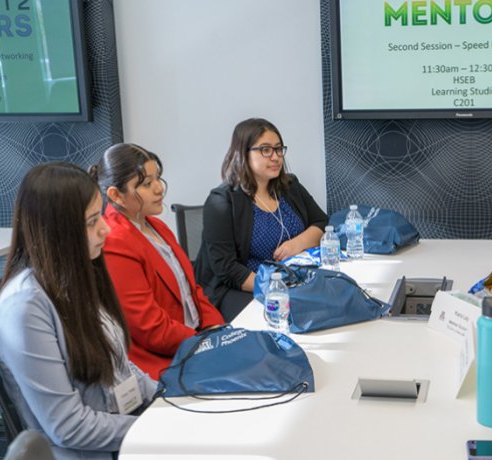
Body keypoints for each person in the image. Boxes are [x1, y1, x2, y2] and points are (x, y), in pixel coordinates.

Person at [0, 163, 157, 459]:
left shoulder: (75, 274)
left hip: (123, 433)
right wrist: (153, 429)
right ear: (57, 230)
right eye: (92, 220)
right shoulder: (24, 307)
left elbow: (117, 361)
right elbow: (68, 425)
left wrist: (163, 398)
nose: (105, 227)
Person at [90, 143, 225, 379]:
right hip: (161, 360)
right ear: (115, 195)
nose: (158, 189)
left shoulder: (156, 225)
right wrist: (204, 344)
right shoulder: (114, 241)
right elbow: (149, 327)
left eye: (158, 179)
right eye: (145, 184)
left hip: (192, 341)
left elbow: (191, 290)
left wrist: (216, 329)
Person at [195, 118, 328, 321]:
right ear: (243, 153)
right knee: (297, 316)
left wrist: (297, 244)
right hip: (242, 288)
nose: (275, 157)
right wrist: (275, 290)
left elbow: (322, 223)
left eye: (278, 149)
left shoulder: (290, 186)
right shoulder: (222, 202)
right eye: (265, 150)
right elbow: (226, 269)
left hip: (294, 279)